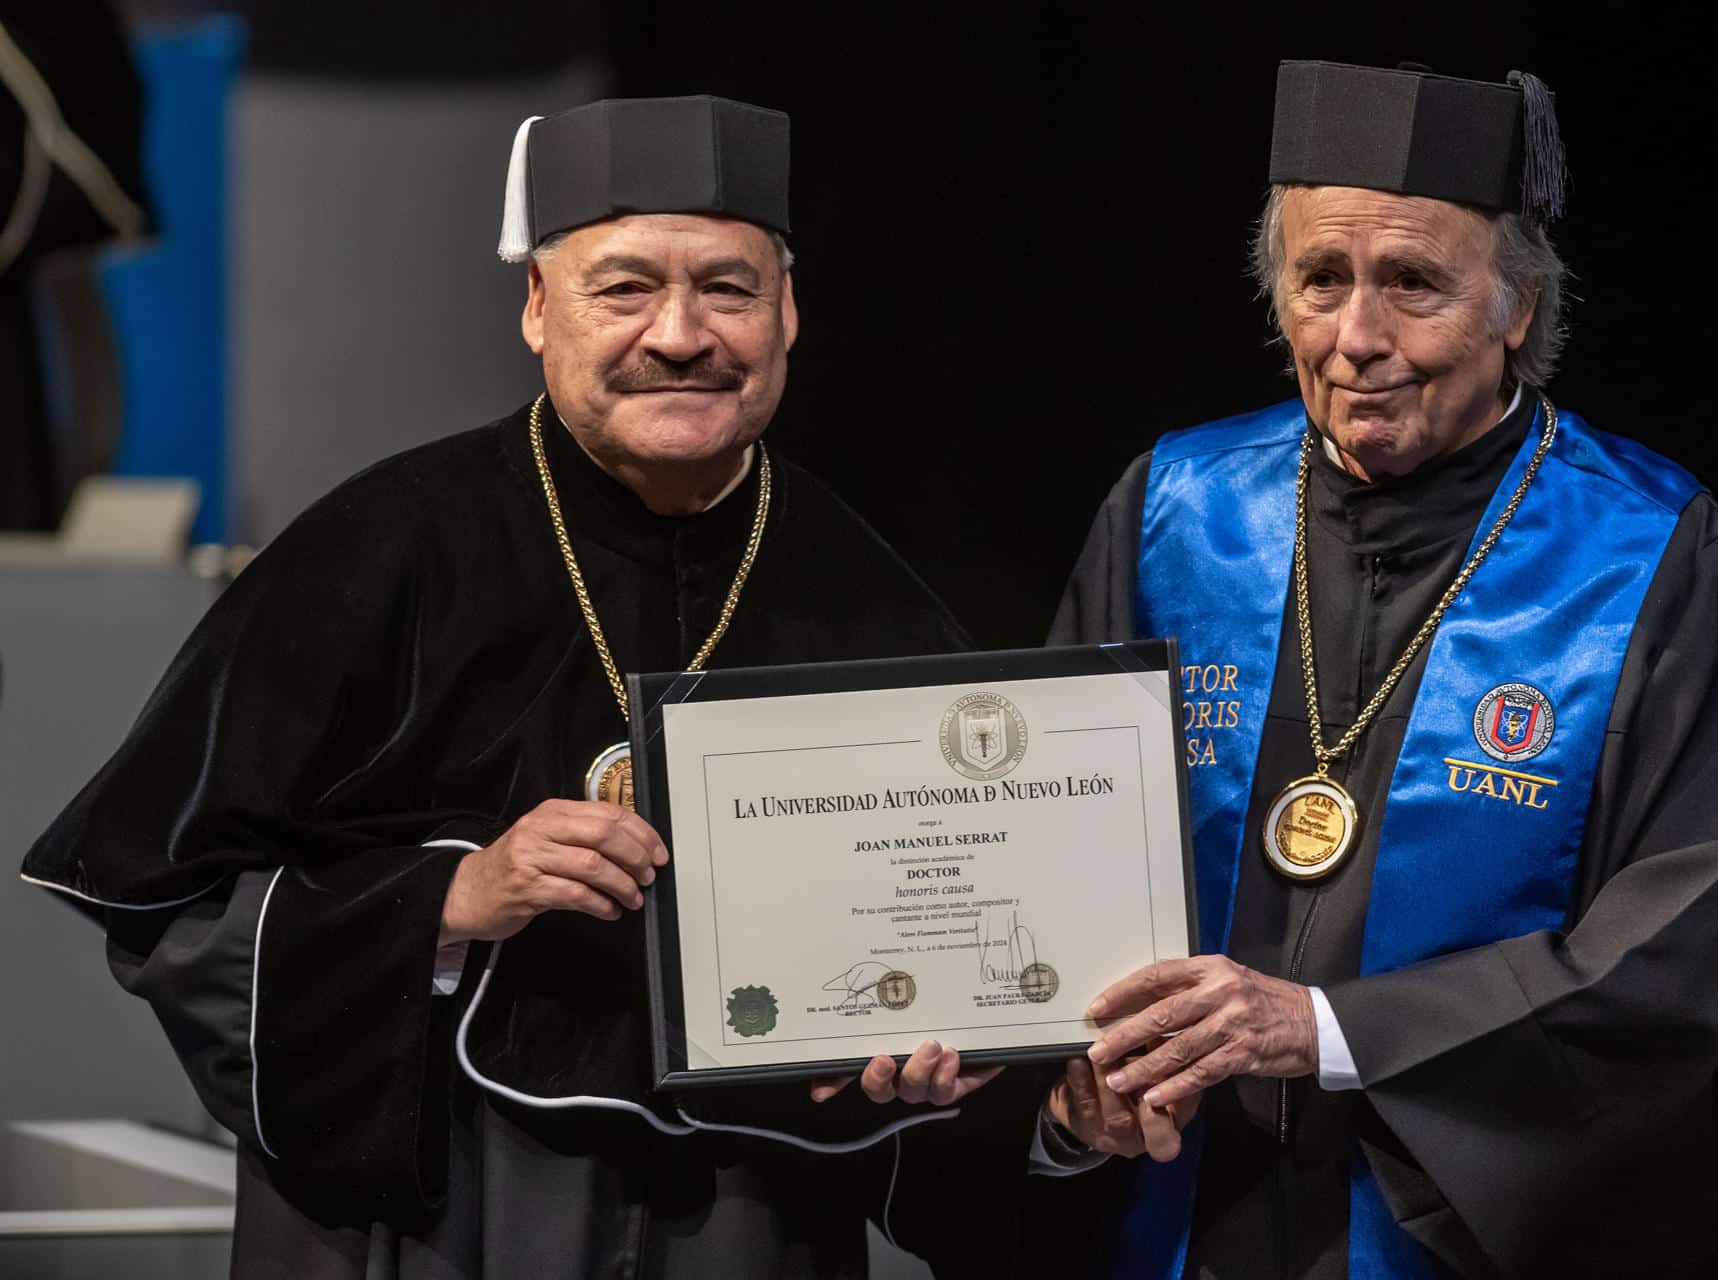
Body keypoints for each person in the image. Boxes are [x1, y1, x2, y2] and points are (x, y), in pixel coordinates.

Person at [22, 95, 1053, 1278]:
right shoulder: (382, 546)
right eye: (623, 289)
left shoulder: (865, 591)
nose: (680, 334)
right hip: (436, 1208)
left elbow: (944, 955)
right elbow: (171, 902)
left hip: (746, 1222)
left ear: (789, 312)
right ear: (534, 310)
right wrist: (449, 899)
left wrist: (911, 1064)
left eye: (728, 288)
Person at [1035, 61, 1718, 1278]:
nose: (1358, 339)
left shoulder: (1657, 557)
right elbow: (1040, 854)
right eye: (1320, 280)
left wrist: (1323, 1028)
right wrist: (1058, 1084)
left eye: (1415, 285)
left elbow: (1670, 953)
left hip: (1447, 1226)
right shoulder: (1177, 507)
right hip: (1172, 1204)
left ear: (1520, 308)